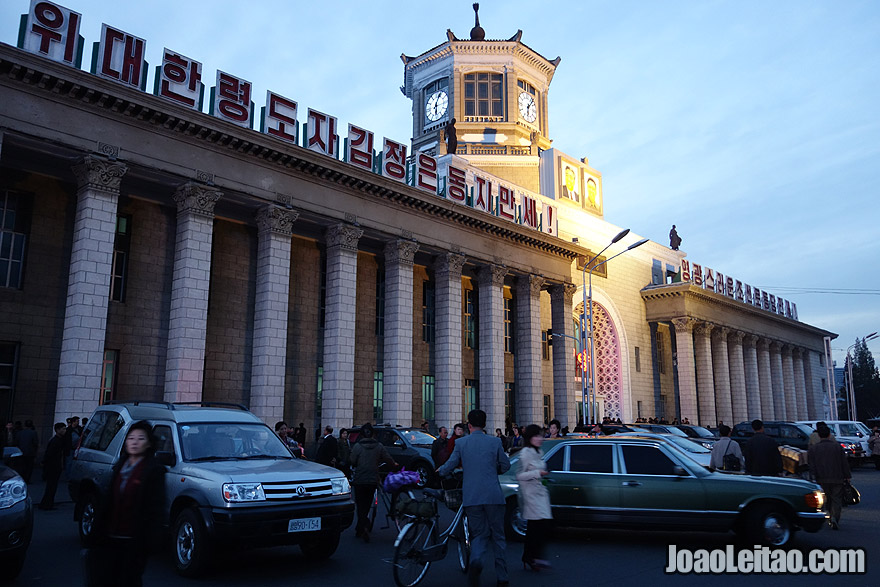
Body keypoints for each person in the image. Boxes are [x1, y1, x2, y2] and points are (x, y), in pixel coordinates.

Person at [85, 420, 166, 586]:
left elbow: (156, 507)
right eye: (131, 438)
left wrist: (152, 540)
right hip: (110, 537)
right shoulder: (121, 465)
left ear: (149, 443)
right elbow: (108, 500)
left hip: (134, 540)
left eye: (140, 439)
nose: (135, 442)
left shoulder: (154, 470)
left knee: (128, 580)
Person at [438, 410, 511, 587]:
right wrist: (495, 470)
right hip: (494, 496)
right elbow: (506, 465)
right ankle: (502, 577)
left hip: (472, 497)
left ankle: (476, 559)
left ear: (469, 425)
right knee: (498, 536)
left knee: (478, 534)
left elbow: (450, 465)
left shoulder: (462, 443)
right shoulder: (495, 442)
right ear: (484, 424)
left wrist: (440, 472)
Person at [349, 423, 396, 543]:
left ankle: (362, 526)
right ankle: (363, 525)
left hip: (360, 479)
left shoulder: (358, 446)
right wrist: (394, 464)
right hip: (372, 479)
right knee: (368, 501)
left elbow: (352, 461)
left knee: (360, 505)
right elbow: (387, 458)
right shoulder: (379, 446)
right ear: (373, 434)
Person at [516, 424, 553, 571]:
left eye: (541, 435)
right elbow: (519, 475)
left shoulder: (538, 452)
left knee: (537, 527)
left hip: (540, 493)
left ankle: (530, 556)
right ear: (529, 438)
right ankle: (533, 557)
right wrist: (538, 473)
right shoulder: (525, 453)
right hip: (531, 495)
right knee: (537, 527)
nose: (540, 438)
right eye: (536, 436)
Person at [808, 425, 851, 530]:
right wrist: (847, 475)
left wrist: (812, 477)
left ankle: (829, 514)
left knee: (826, 498)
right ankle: (835, 517)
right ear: (829, 435)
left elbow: (811, 465)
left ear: (819, 435)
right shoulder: (837, 447)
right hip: (837, 477)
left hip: (821, 478)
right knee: (836, 498)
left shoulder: (814, 448)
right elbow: (844, 463)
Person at [38, 422, 67, 510]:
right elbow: (49, 454)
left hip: (54, 466)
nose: (64, 431)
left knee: (51, 487)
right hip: (53, 467)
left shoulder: (58, 440)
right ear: (58, 430)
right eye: (63, 429)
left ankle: (47, 503)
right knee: (51, 487)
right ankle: (47, 504)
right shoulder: (55, 441)